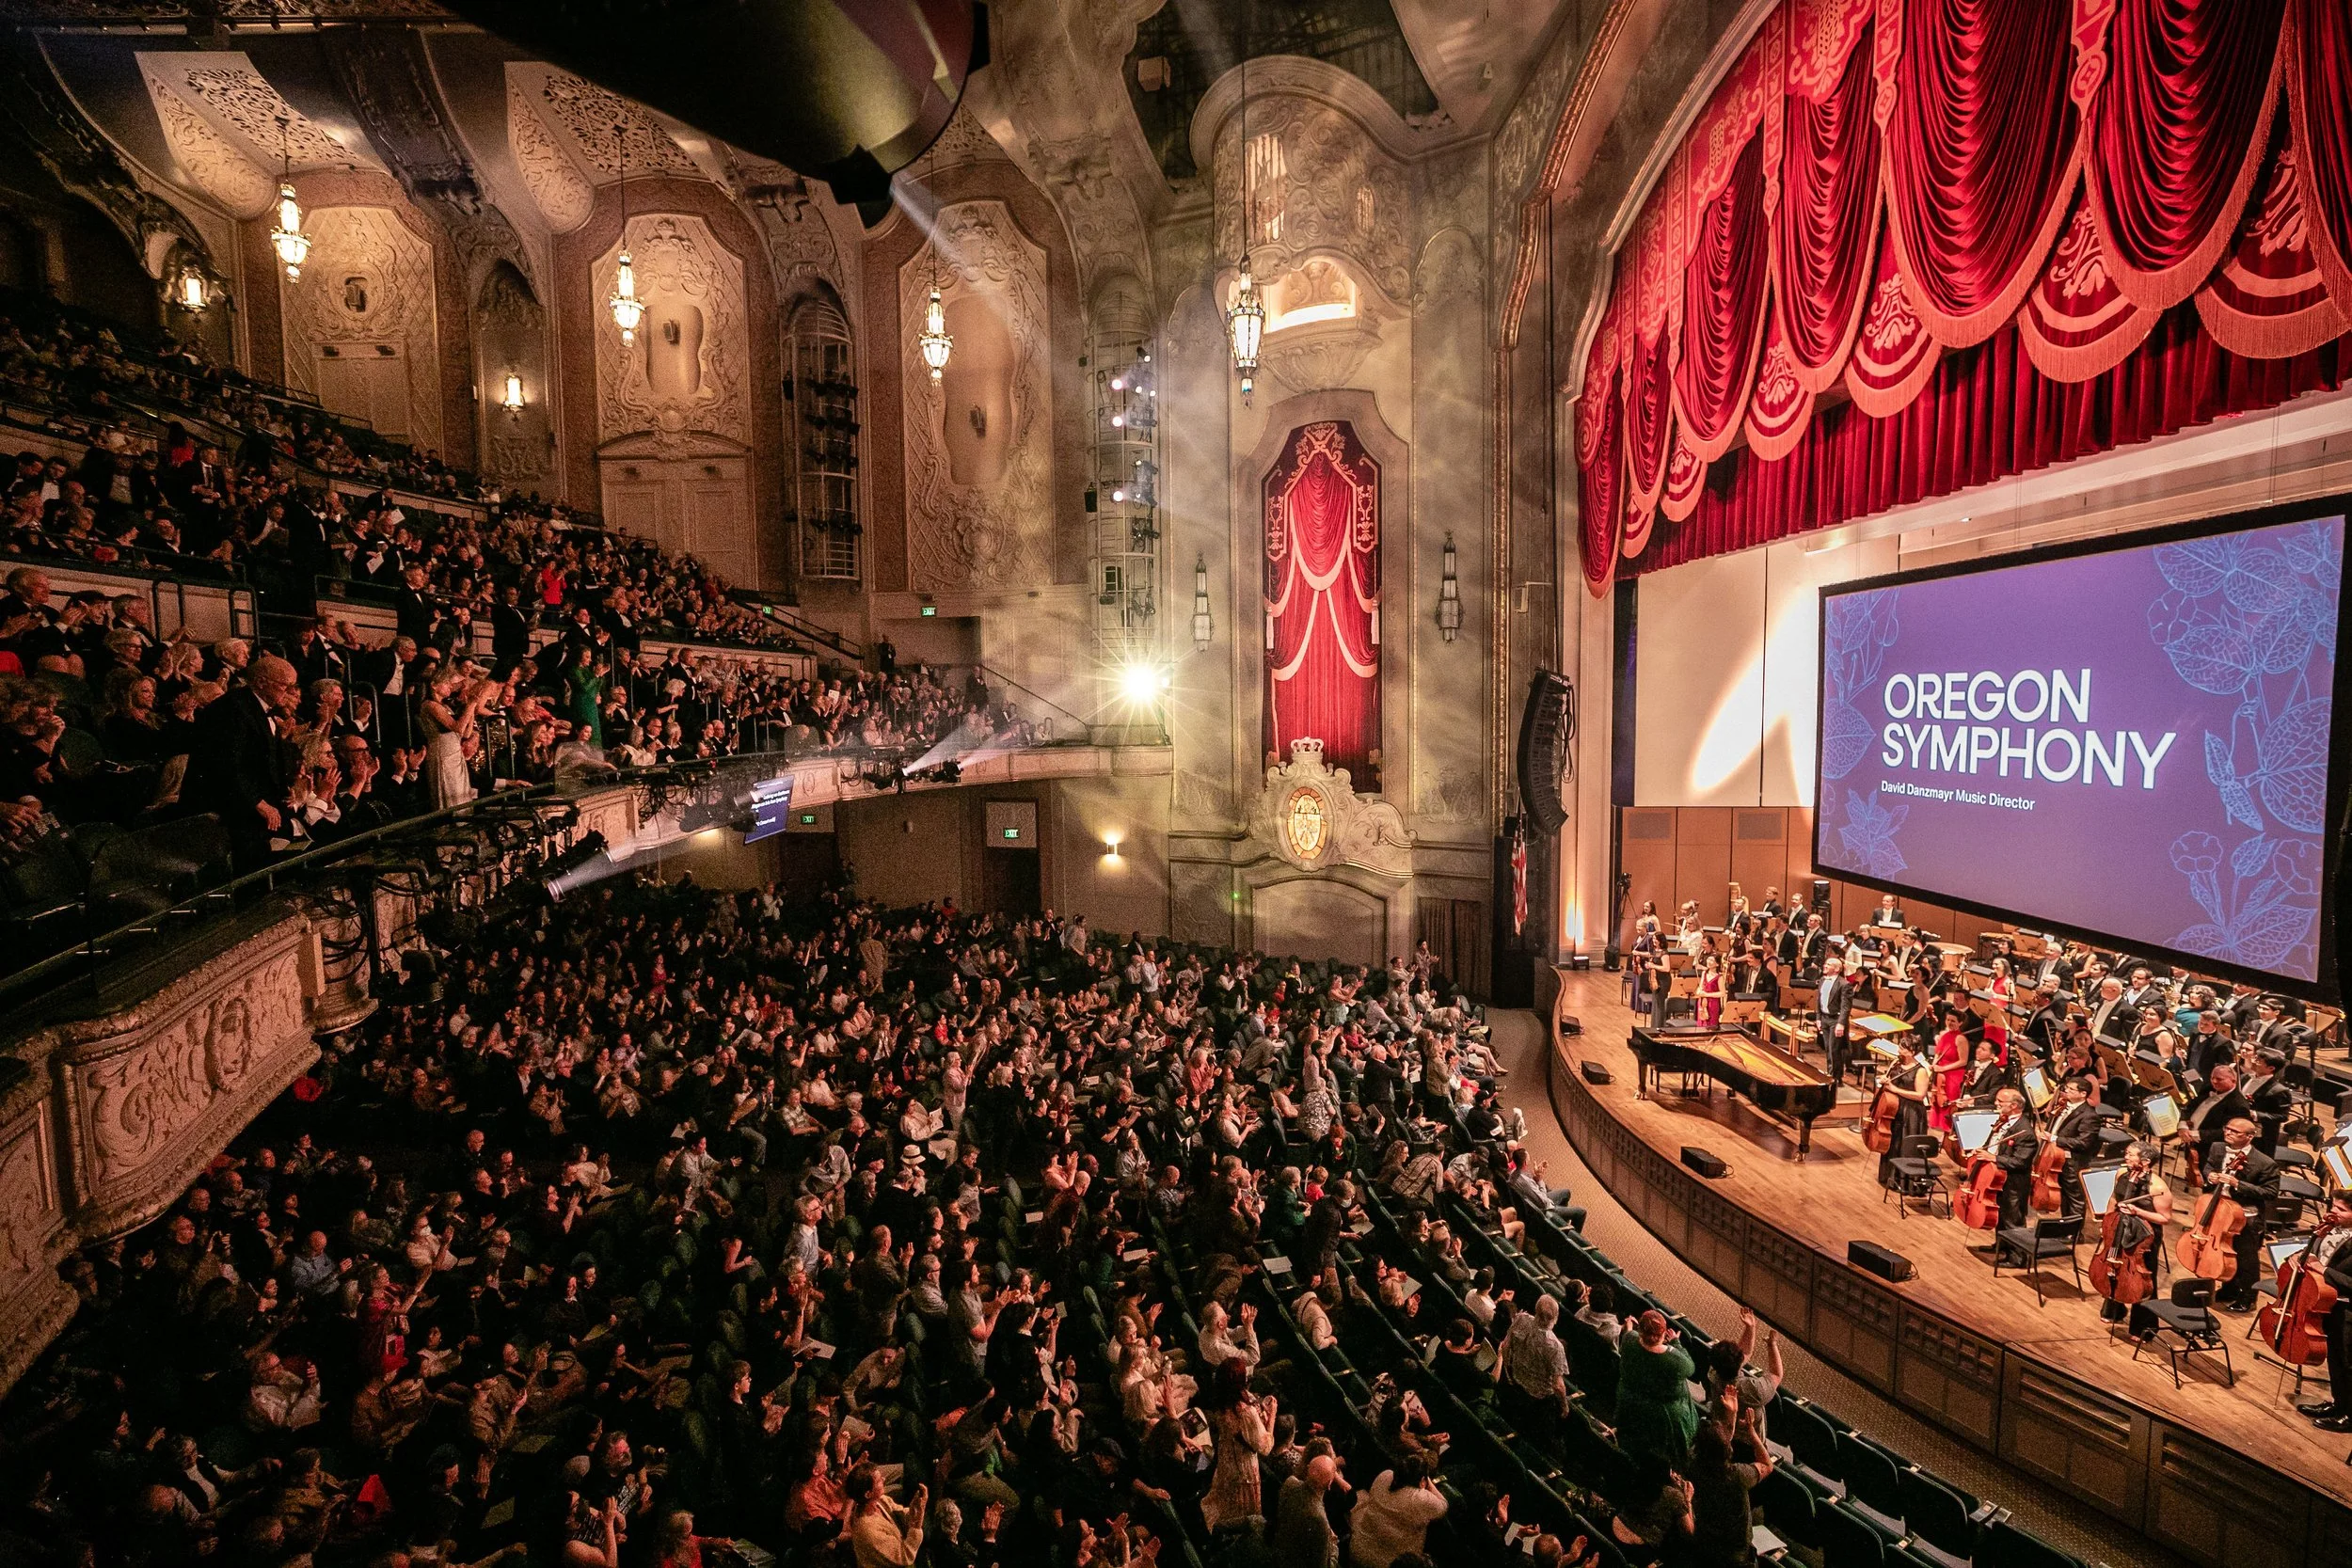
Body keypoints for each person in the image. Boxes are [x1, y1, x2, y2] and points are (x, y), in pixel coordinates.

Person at [2203, 1117, 2279, 1311]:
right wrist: (2210, 1175)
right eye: (2226, 1128)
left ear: (2249, 1136)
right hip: (2220, 1210)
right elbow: (2209, 1167)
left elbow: (2270, 1193)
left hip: (2246, 1215)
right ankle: (2229, 1289)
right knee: (2226, 1251)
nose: (2227, 1133)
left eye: (2234, 1131)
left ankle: (2248, 1297)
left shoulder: (2265, 1163)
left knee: (2246, 1258)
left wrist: (2238, 1184)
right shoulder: (2217, 1148)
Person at [1613, 1309, 1699, 1466]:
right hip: (1664, 1416)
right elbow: (1691, 1368)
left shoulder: (1629, 1339)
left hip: (1630, 1402)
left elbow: (1629, 1335)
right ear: (1664, 1334)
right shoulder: (1676, 1361)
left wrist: (1629, 1326)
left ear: (1640, 1331)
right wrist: (1675, 1342)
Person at [1687, 1413, 1773, 1568]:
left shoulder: (1692, 1468)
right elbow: (1767, 1465)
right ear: (1728, 1450)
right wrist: (1752, 1432)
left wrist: (1731, 1415)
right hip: (1736, 1554)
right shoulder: (1738, 1475)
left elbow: (1717, 1445)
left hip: (1706, 1544)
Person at [1348, 1455, 1447, 1567]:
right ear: (1422, 1480)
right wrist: (1428, 1481)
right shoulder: (1421, 1499)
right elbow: (1443, 1505)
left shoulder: (1385, 1475)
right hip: (1390, 1564)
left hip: (1357, 1549)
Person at [1817, 958, 1853, 1084]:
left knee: (1834, 1049)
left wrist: (1841, 1024)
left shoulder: (1844, 985)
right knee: (1827, 1048)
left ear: (1837, 969)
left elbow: (1845, 1007)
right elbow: (1819, 1001)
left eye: (1828, 964)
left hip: (1836, 1020)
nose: (1825, 966)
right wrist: (1818, 1018)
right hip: (1825, 1018)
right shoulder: (1822, 980)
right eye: (1825, 963)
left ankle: (1836, 1078)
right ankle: (1829, 1073)